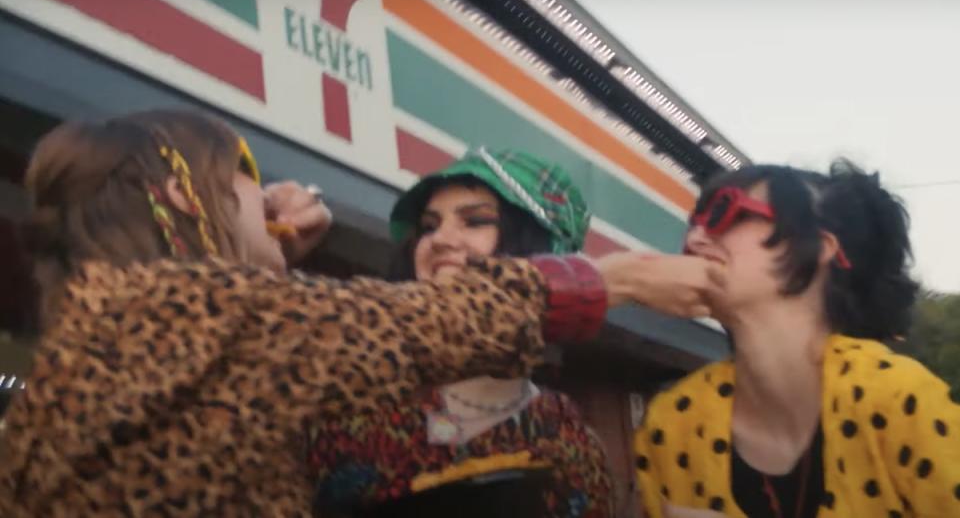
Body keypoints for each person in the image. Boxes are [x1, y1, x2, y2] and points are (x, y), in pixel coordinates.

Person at [0, 109, 724, 517]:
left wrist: (263, 244)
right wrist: (610, 279)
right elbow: (383, 328)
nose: (443, 241)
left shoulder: (130, 340)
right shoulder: (198, 323)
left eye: (475, 220)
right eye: (248, 182)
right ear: (189, 200)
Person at [634, 160, 960, 518]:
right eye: (693, 224)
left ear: (821, 247)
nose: (694, 239)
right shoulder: (670, 425)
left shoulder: (899, 400)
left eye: (725, 212)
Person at [308, 148, 613, 517]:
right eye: (429, 226)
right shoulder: (345, 393)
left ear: (539, 255)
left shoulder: (567, 437)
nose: (440, 240)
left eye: (474, 221)